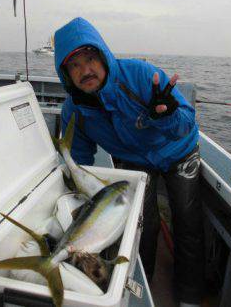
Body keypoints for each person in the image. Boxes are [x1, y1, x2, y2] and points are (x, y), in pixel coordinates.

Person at [54, 17, 205, 306]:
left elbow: (185, 124)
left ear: (103, 55)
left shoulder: (140, 75)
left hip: (178, 151)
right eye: (74, 65)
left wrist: (167, 116)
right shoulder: (75, 111)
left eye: (89, 58)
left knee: (187, 222)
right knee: (141, 226)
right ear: (65, 74)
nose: (85, 70)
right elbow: (82, 163)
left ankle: (190, 298)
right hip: (135, 162)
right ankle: (140, 289)